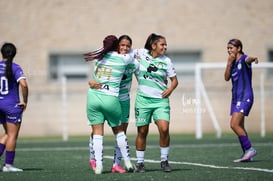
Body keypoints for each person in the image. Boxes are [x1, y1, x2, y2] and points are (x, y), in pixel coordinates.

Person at [84, 35, 134, 174]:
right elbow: (134, 54)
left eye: (127, 46)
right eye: (121, 45)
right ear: (117, 45)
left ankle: (103, 165)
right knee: (119, 131)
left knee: (98, 132)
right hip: (112, 98)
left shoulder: (100, 57)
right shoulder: (124, 59)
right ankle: (128, 162)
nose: (124, 48)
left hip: (95, 96)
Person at [133, 33, 178, 172]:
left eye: (165, 45)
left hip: (161, 101)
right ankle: (140, 163)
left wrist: (170, 89)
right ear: (154, 45)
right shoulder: (141, 53)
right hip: (143, 101)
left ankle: (164, 161)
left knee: (164, 129)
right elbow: (125, 53)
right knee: (142, 131)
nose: (165, 47)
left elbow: (175, 80)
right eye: (162, 44)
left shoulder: (167, 61)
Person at [224, 38, 258, 162]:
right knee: (240, 126)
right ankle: (247, 154)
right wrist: (228, 63)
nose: (229, 50)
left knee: (234, 124)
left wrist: (253, 59)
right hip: (235, 98)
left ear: (238, 48)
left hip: (245, 96)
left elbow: (249, 59)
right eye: (227, 48)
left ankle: (249, 149)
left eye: (231, 48)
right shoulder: (231, 62)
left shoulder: (244, 59)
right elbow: (226, 78)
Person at [0, 42, 28, 172]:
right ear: (14, 54)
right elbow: (24, 85)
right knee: (12, 135)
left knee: (7, 134)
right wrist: (25, 101)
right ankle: (8, 165)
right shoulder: (15, 67)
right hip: (11, 105)